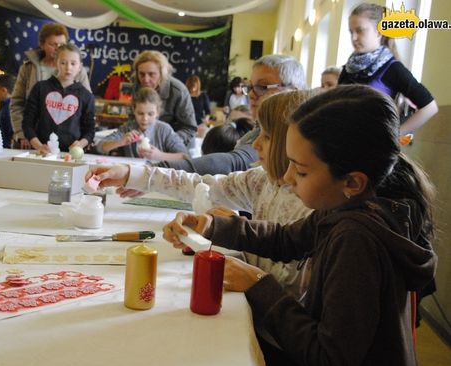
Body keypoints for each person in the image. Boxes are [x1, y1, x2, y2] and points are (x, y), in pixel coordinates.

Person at [163, 85, 436, 366]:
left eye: (302, 170)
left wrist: (259, 284)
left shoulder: (356, 240)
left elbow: (330, 363)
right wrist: (213, 225)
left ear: (352, 182)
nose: (288, 177)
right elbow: (287, 239)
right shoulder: (345, 209)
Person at [86, 91, 314, 298]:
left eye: (266, 136)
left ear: (290, 142)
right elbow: (194, 183)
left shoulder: (310, 205)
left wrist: (248, 269)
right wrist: (130, 174)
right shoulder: (260, 180)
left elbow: (290, 287)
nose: (255, 144)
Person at [154, 54, 306, 175]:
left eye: (263, 86)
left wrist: (156, 170)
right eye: (251, 87)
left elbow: (234, 163)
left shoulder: (291, 135)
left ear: (294, 90)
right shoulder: (259, 129)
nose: (251, 95)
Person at [339, 2, 438, 135]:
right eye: (351, 32)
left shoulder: (393, 68)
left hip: (371, 150)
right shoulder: (349, 68)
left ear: (379, 31)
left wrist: (394, 136)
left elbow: (430, 107)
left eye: (360, 30)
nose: (353, 38)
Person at [11, 22, 91, 149]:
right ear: (42, 45)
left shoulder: (78, 71)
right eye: (53, 44)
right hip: (33, 137)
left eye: (62, 44)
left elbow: (86, 107)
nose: (58, 48)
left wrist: (82, 141)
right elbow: (17, 103)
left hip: (68, 141)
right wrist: (22, 133)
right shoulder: (29, 68)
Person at [22, 44, 94, 154]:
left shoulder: (86, 96)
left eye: (73, 63)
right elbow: (27, 123)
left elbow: (90, 130)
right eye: (63, 63)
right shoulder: (40, 88)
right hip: (41, 153)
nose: (68, 67)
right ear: (56, 63)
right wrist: (39, 146)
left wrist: (80, 144)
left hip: (70, 155)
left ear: (80, 67)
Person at [94, 88, 187, 160]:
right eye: (140, 113)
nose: (145, 119)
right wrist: (120, 142)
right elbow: (100, 147)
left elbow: (185, 157)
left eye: (150, 114)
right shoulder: (128, 128)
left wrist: (160, 155)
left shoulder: (164, 130)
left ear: (158, 112)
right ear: (134, 110)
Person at [132, 50, 197, 146]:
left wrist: (166, 142)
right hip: (147, 144)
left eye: (151, 74)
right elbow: (133, 119)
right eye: (141, 74)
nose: (145, 80)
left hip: (177, 145)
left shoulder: (178, 90)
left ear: (162, 74)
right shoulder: (137, 86)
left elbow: (189, 128)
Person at [0, 74, 15, 149]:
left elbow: (11, 132)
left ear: (3, 90)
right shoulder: (4, 107)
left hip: (6, 148)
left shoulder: (8, 109)